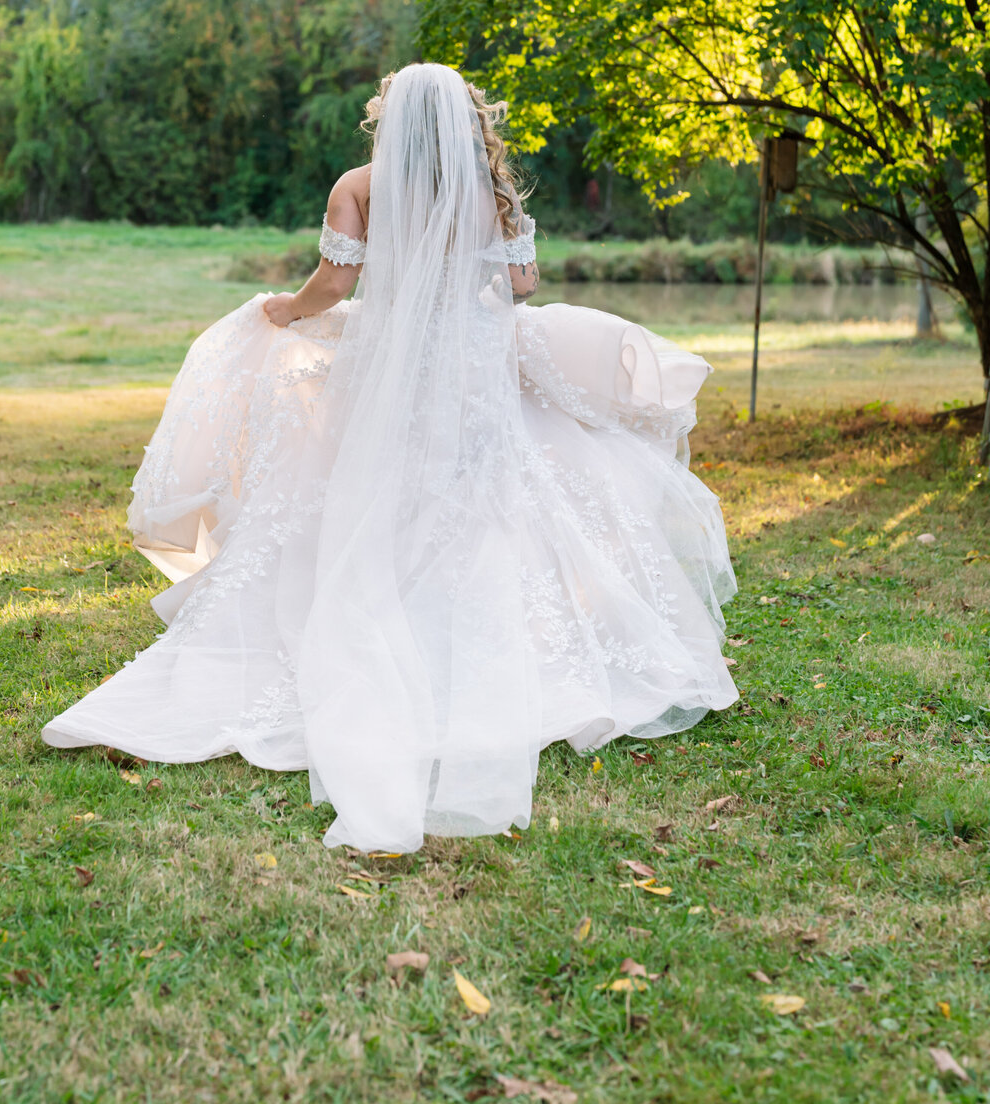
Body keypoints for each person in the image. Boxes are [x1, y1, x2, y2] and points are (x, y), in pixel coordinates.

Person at [43, 63, 737, 851]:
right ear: (463, 121)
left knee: (375, 483)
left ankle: (381, 614)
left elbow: (335, 285)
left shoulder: (359, 187)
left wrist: (286, 309)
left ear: (391, 117)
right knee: (479, 494)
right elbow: (520, 286)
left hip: (390, 362)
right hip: (471, 363)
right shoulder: (491, 193)